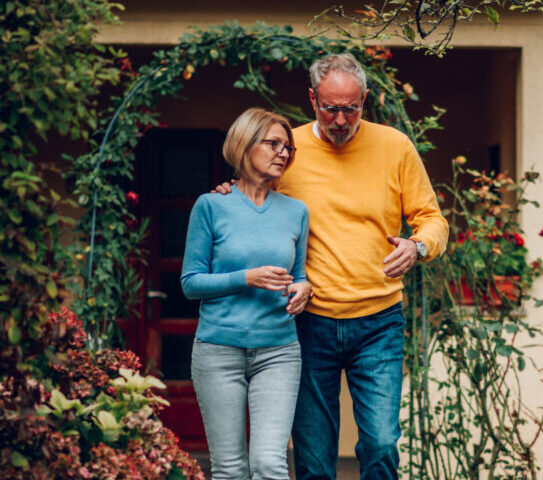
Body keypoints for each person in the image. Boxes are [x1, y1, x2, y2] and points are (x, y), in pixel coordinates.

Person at [215, 53, 449, 480]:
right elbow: (252, 199)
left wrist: (416, 247)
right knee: (314, 455)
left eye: (351, 108)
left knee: (380, 444)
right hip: (308, 323)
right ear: (312, 99)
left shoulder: (394, 146)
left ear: (365, 99)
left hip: (379, 322)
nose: (341, 119)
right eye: (330, 108)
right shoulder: (289, 151)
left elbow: (433, 219)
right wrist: (231, 191)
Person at [182, 107, 313, 480]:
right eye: (274, 143)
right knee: (229, 469)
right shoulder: (211, 206)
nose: (283, 153)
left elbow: (299, 274)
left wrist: (304, 288)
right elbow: (190, 283)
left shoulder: (295, 212)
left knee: (269, 464)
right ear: (244, 144)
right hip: (218, 352)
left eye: (288, 147)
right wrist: (246, 278)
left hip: (279, 352)